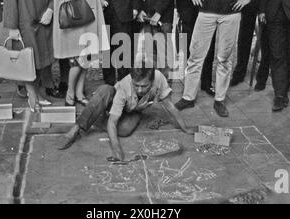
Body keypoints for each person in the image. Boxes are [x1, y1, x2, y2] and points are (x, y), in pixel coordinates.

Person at [58, 60, 194, 161]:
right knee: (105, 90)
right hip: (113, 103)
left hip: (132, 110)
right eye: (136, 85)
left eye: (144, 86)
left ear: (152, 81)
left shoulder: (158, 78)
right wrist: (117, 149)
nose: (140, 89)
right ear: (132, 80)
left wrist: (185, 128)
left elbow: (170, 106)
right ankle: (77, 127)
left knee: (124, 130)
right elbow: (112, 122)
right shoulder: (124, 86)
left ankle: (93, 114)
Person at [3, 0, 56, 111]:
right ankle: (32, 94)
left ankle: (38, 90)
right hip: (25, 23)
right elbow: (9, 1)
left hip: (45, 22)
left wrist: (51, 9)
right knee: (28, 60)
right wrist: (12, 29)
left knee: (43, 59)